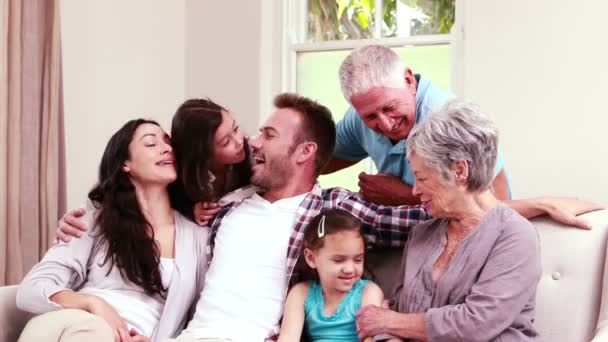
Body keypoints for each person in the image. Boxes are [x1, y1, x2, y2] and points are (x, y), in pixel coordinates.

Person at [56, 94, 602, 342]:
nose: (252, 141)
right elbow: (147, 202)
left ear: (304, 154)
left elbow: (454, 207)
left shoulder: (334, 210)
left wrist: (535, 203)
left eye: (267, 135)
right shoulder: (219, 207)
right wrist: (89, 215)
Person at [356, 101, 541, 341]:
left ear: (460, 171)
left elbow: (476, 325)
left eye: (422, 178)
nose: (414, 191)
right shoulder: (421, 233)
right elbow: (396, 309)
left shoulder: (515, 236)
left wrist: (391, 322)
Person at [17, 119, 209, 342]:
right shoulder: (95, 220)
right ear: (125, 164)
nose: (166, 148)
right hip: (79, 324)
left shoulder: (198, 238)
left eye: (167, 142)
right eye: (150, 144)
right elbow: (31, 289)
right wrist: (93, 303)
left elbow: (205, 320)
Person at [322, 44, 510, 205]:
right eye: (370, 117)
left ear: (408, 80)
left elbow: (495, 204)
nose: (386, 125)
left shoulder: (449, 118)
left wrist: (403, 195)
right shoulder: (359, 115)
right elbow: (317, 161)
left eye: (389, 107)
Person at [278, 209, 400, 342]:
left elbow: (370, 338)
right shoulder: (301, 293)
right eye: (338, 260)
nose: (349, 269)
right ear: (311, 258)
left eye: (358, 259)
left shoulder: (368, 291)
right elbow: (288, 337)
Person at [170, 98, 252, 226]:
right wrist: (191, 210)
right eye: (226, 142)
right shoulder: (178, 177)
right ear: (203, 154)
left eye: (235, 129)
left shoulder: (254, 155)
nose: (239, 141)